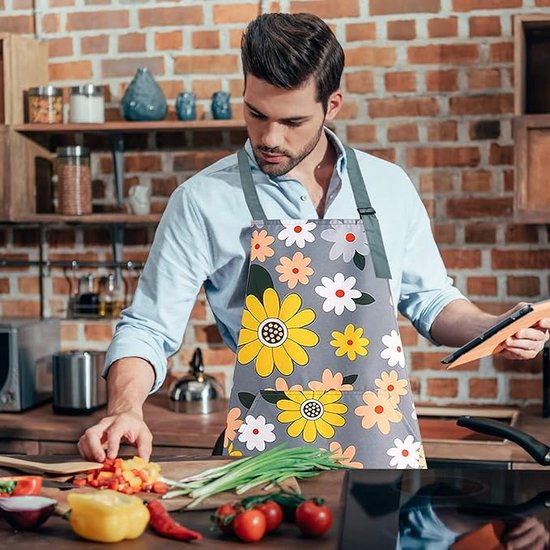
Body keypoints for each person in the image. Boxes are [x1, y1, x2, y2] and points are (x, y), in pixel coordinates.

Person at [78, 12, 550, 466]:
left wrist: (497, 326)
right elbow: (148, 328)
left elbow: (430, 301)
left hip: (377, 446)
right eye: (256, 114)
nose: (268, 137)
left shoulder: (389, 186)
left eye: (292, 122)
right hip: (261, 456)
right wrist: (124, 408)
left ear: (333, 105)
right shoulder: (202, 200)